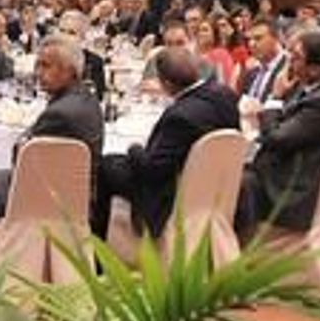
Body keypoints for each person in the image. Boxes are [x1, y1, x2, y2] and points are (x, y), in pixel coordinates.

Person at [0, 34, 102, 280]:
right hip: (54, 186)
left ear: (69, 71)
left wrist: (22, 142)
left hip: (40, 195)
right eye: (38, 64)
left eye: (46, 66)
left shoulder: (62, 112)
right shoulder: (84, 98)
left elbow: (21, 157)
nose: (37, 72)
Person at [93, 47, 240, 237]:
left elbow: (152, 170)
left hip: (171, 191)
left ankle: (98, 248)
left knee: (107, 165)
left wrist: (134, 149)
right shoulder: (225, 95)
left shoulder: (179, 117)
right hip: (215, 184)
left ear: (166, 83)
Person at [235, 32, 320, 239]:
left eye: (296, 58)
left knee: (231, 182)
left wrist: (275, 97)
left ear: (315, 69)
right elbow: (289, 122)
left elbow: (275, 139)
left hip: (295, 192)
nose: (289, 62)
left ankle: (234, 253)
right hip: (302, 171)